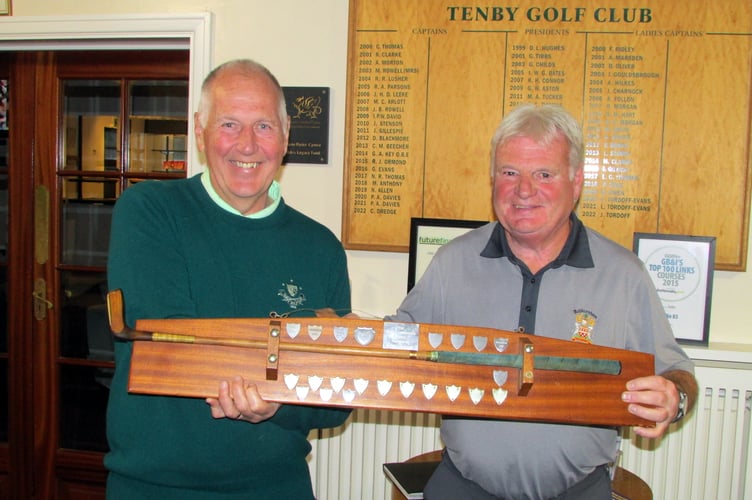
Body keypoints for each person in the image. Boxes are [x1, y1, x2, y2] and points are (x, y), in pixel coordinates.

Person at [389, 103, 697, 499]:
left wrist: (675, 398)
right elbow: (395, 346)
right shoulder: (453, 263)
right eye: (509, 173)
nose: (523, 190)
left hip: (578, 491)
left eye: (544, 174)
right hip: (464, 487)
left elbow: (677, 371)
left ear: (577, 182)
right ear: (492, 179)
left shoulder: (623, 275)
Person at [105, 59, 352, 499]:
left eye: (263, 126)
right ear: (199, 130)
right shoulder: (149, 211)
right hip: (158, 488)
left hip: (278, 488)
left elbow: (335, 401)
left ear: (286, 135)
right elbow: (169, 341)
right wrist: (288, 375)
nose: (247, 144)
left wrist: (279, 403)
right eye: (230, 124)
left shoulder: (321, 247)